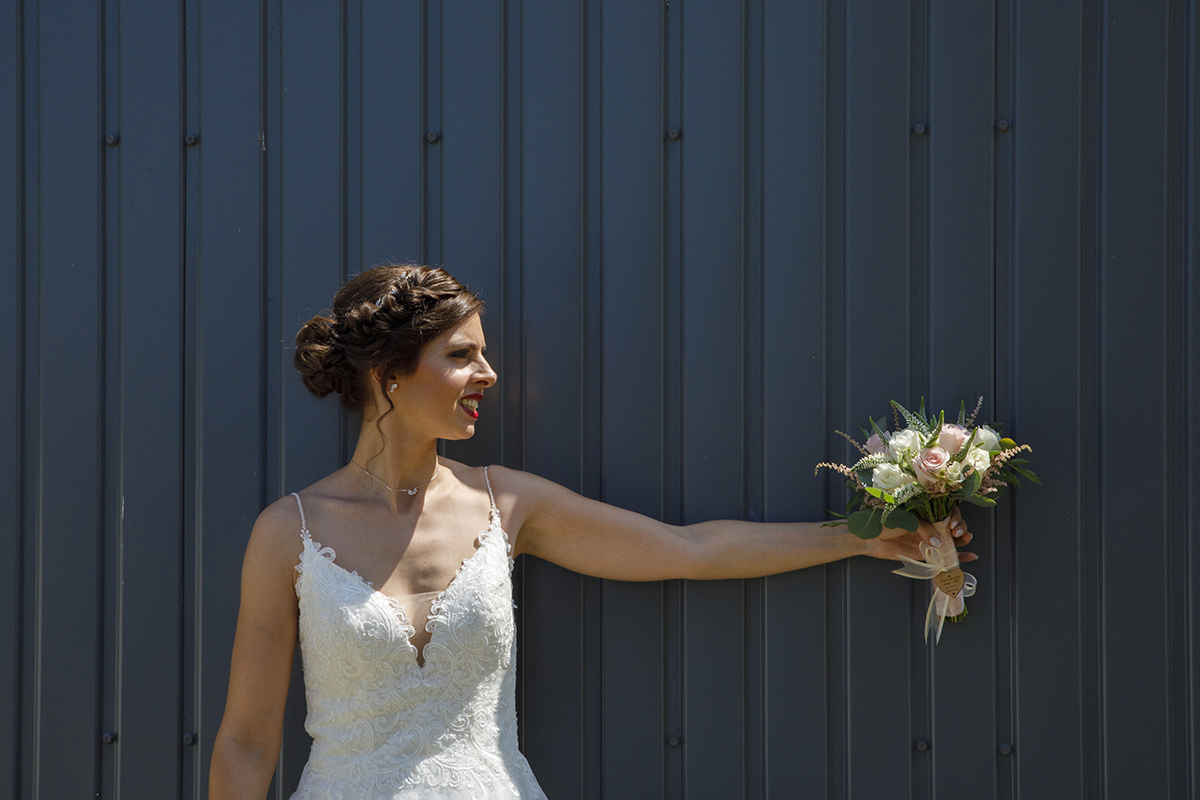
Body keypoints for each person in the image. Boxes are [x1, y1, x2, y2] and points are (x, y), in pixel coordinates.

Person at [208, 265, 972, 799]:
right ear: (390, 375)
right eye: (462, 355)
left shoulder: (506, 505)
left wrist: (861, 536)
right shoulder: (289, 533)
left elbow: (688, 549)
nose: (490, 375)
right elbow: (246, 739)